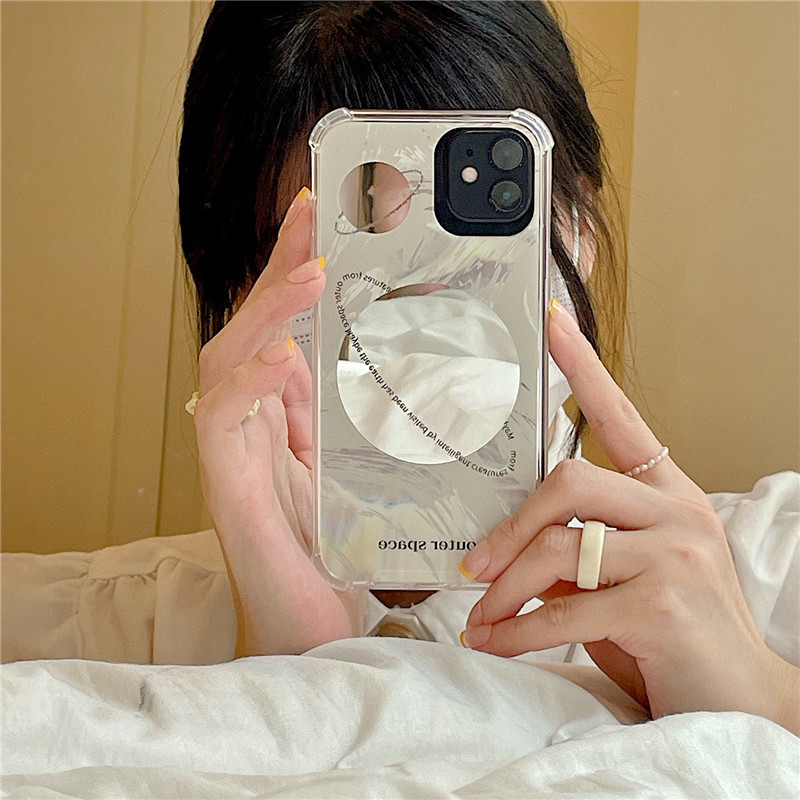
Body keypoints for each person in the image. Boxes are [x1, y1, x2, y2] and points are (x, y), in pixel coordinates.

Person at [178, 1, 799, 733]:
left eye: (467, 253)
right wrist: (293, 670)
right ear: (239, 291)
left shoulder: (777, 570)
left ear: (580, 227)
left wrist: (762, 698)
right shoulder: (112, 629)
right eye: (337, 255)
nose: (414, 312)